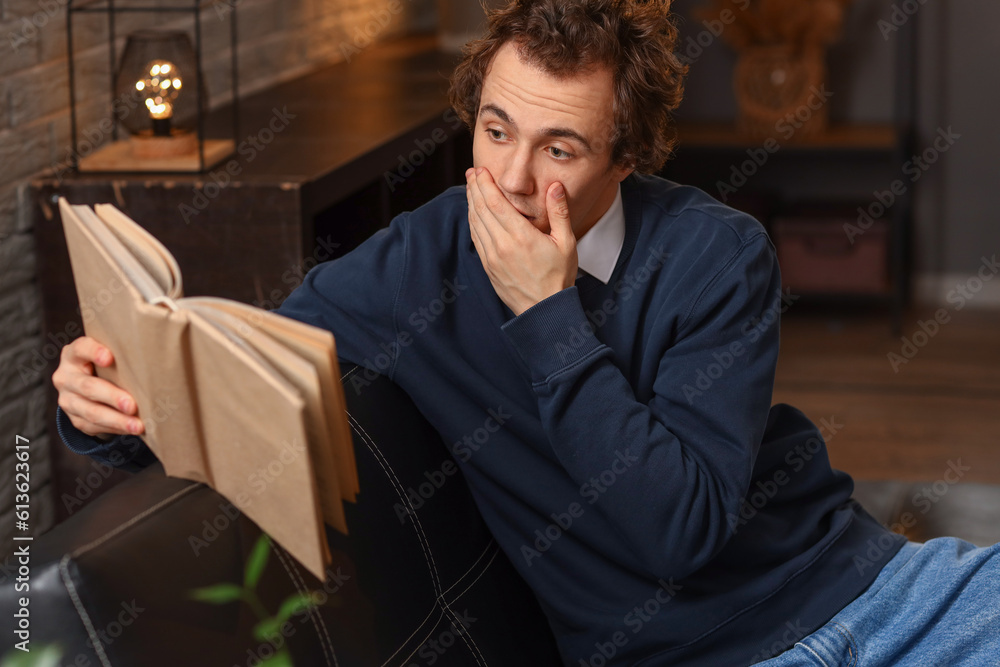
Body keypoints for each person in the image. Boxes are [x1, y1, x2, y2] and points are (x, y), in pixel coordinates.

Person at [53, 0, 1000, 665]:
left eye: (559, 149)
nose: (509, 179)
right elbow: (243, 373)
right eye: (495, 130)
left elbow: (683, 520)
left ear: (627, 157)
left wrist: (547, 314)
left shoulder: (719, 254)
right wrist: (107, 410)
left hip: (880, 596)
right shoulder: (413, 263)